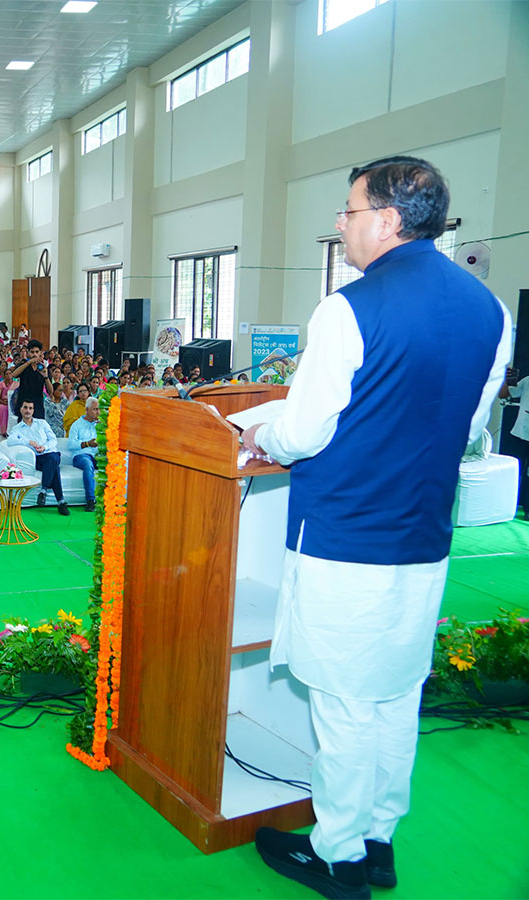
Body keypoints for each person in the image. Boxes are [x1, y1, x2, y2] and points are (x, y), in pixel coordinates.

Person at [241, 156, 509, 899]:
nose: (342, 225)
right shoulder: (492, 310)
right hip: (422, 538)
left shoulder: (347, 308)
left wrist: (263, 433)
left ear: (389, 219)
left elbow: (305, 432)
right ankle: (379, 838)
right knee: (395, 695)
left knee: (345, 704)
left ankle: (339, 856)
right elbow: (469, 423)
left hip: (348, 539)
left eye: (349, 212)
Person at [497, 365, 528, 516]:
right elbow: (503, 395)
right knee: (515, 470)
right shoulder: (528, 381)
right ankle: (505, 506)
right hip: (520, 433)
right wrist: (506, 380)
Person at [68, 397, 100, 512]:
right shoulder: (77, 425)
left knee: (111, 464)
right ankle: (90, 500)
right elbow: (70, 445)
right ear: (87, 410)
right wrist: (87, 444)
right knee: (88, 465)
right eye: (95, 409)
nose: (98, 412)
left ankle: (109, 499)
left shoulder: (100, 425)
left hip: (97, 455)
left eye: (98, 409)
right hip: (81, 455)